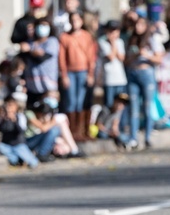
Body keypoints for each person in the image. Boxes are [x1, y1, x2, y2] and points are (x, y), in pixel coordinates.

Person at [123, 15, 164, 150]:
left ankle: (147, 137)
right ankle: (133, 138)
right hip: (133, 73)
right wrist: (133, 57)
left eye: (141, 25)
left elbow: (159, 59)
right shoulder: (131, 40)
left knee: (147, 107)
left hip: (146, 74)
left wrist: (147, 56)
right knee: (133, 108)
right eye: (136, 25)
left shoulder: (152, 40)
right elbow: (126, 61)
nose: (138, 27)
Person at [59, 11, 97, 140]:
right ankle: (72, 132)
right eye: (72, 20)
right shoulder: (65, 37)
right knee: (71, 101)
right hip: (70, 72)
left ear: (81, 21)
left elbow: (91, 57)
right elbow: (62, 57)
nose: (74, 23)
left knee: (81, 101)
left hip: (83, 71)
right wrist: (63, 74)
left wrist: (91, 73)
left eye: (77, 20)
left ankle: (81, 131)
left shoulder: (87, 36)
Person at [22, 16, 60, 109]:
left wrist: (30, 50)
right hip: (32, 86)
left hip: (48, 87)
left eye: (45, 25)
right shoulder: (31, 42)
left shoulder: (52, 42)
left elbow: (42, 58)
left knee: (47, 111)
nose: (42, 28)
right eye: (40, 25)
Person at [0, 96, 39, 168]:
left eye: (11, 106)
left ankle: (23, 157)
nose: (9, 108)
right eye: (8, 105)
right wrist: (3, 119)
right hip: (6, 144)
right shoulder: (2, 117)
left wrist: (14, 120)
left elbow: (21, 131)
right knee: (2, 149)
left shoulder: (20, 116)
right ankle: (17, 159)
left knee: (33, 163)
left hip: (18, 144)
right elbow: (0, 129)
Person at [98, 19, 128, 108]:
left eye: (115, 31)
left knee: (120, 104)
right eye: (111, 31)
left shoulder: (120, 42)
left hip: (120, 79)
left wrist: (115, 43)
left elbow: (121, 57)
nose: (113, 33)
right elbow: (111, 57)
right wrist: (113, 43)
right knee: (109, 105)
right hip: (109, 79)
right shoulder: (102, 42)